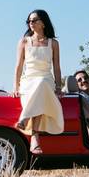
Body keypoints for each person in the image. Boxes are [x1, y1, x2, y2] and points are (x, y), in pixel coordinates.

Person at [13, 9, 64, 154]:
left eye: (34, 20)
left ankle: (25, 118)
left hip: (46, 79)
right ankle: (35, 138)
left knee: (42, 83)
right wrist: (16, 87)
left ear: (43, 23)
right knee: (39, 88)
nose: (31, 23)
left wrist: (59, 87)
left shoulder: (53, 43)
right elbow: (18, 66)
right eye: (29, 21)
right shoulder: (24, 42)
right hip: (28, 80)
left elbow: (57, 67)